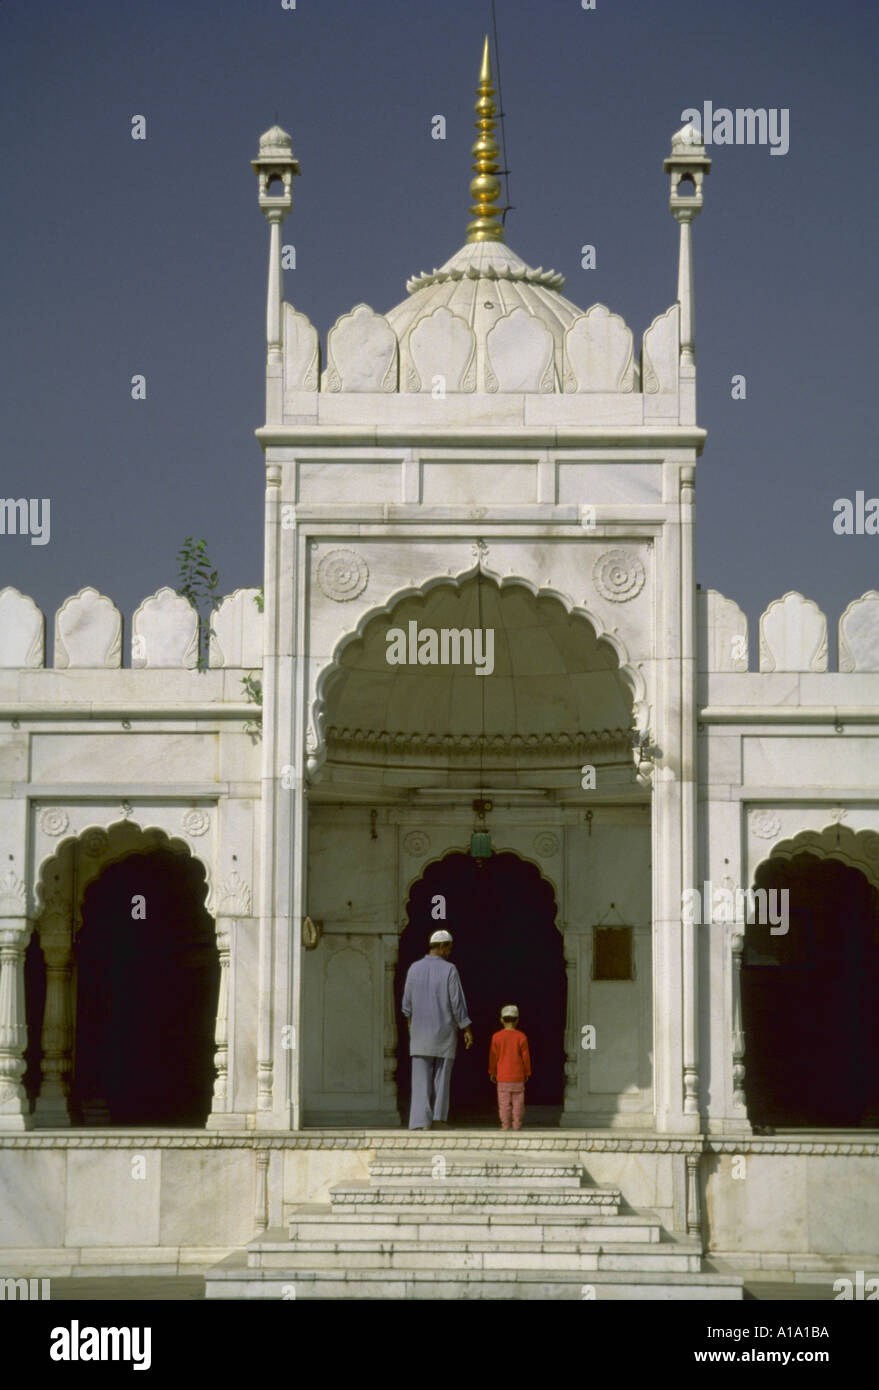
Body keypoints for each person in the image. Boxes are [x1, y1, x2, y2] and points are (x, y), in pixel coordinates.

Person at [401, 929, 473, 1130]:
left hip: (420, 1033)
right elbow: (456, 1002)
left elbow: (406, 1004)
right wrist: (466, 1028)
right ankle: (438, 1119)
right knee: (442, 1078)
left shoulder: (414, 968)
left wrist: (410, 1025)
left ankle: (419, 1121)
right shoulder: (449, 969)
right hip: (444, 1031)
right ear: (441, 947)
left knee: (420, 1078)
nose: (449, 952)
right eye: (448, 947)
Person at [488, 1004, 531, 1131]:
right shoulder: (521, 1037)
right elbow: (526, 1057)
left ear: (501, 1020)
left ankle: (505, 1126)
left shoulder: (496, 1037)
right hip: (518, 1077)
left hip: (502, 1077)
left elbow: (493, 1057)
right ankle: (517, 1125)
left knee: (504, 1104)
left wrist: (492, 1071)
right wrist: (527, 1072)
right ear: (517, 1020)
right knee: (518, 1104)